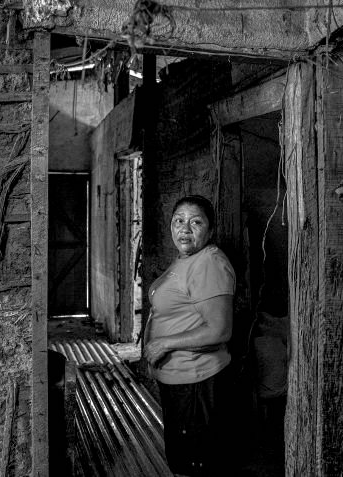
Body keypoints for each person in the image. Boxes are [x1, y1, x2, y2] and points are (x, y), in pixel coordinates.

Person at [143, 195, 236, 477]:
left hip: (197, 381)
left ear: (210, 230)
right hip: (181, 380)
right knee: (184, 460)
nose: (185, 228)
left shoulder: (209, 262)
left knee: (195, 465)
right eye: (179, 221)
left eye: (196, 222)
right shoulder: (186, 259)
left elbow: (219, 330)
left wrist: (163, 344)